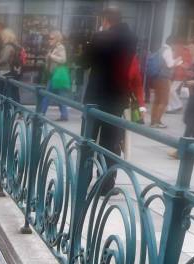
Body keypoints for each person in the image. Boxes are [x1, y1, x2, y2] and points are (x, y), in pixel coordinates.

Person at [78, 6, 136, 192]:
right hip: (117, 96)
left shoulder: (101, 37)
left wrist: (88, 45)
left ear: (105, 19)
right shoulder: (131, 38)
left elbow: (84, 62)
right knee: (111, 143)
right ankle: (106, 184)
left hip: (97, 96)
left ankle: (83, 179)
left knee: (88, 140)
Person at [147, 35, 180, 127]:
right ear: (173, 43)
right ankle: (157, 122)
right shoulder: (168, 50)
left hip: (156, 78)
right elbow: (170, 65)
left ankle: (153, 121)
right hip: (163, 78)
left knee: (157, 100)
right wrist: (177, 61)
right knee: (164, 101)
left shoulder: (161, 49)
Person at [38, 31, 70, 121]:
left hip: (57, 75)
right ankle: (64, 115)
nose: (49, 40)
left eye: (51, 38)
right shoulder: (53, 48)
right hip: (52, 74)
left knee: (48, 95)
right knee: (58, 96)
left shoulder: (60, 47)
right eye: (49, 38)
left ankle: (42, 112)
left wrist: (51, 56)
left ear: (57, 39)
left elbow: (63, 60)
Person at [0, 28, 21, 102]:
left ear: (7, 36)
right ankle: (15, 107)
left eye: (3, 36)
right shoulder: (14, 46)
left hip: (5, 71)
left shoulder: (8, 47)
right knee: (13, 92)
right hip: (10, 71)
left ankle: (2, 106)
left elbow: (4, 59)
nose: (2, 38)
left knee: (1, 91)